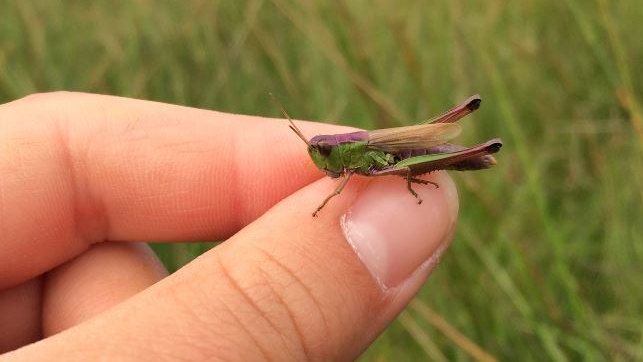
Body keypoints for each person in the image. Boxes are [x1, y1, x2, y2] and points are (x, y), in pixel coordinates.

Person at [0, 92, 458, 360]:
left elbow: (374, 168)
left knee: (396, 167)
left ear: (339, 148)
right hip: (385, 159)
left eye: (322, 152)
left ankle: (465, 154)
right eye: (319, 153)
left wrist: (409, 182)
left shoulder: (357, 155)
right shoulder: (343, 157)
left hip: (403, 152)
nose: (320, 159)